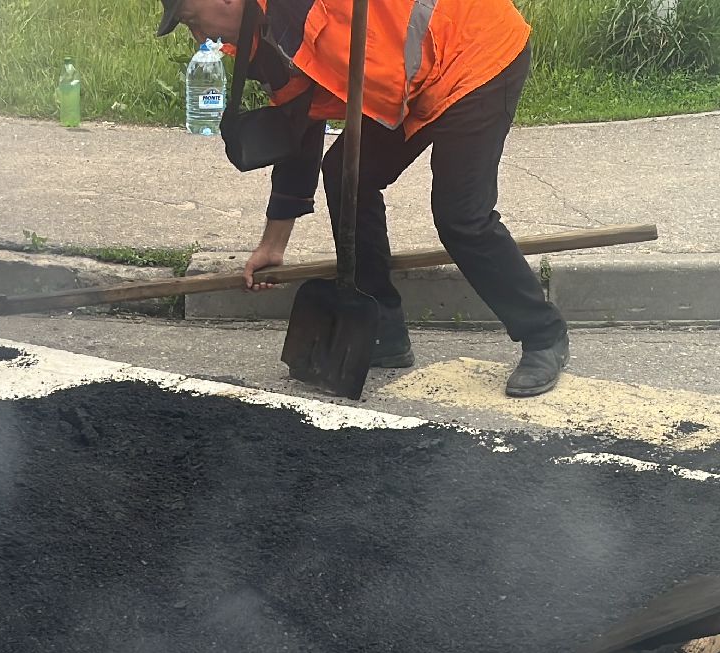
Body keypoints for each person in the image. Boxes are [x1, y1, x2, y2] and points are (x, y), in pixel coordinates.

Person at [154, 0, 572, 396]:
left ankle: (543, 336)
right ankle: (384, 330)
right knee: (344, 175)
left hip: (474, 55)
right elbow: (298, 133)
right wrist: (273, 245)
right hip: (411, 83)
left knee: (461, 214)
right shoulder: (259, 45)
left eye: (193, 19)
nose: (198, 35)